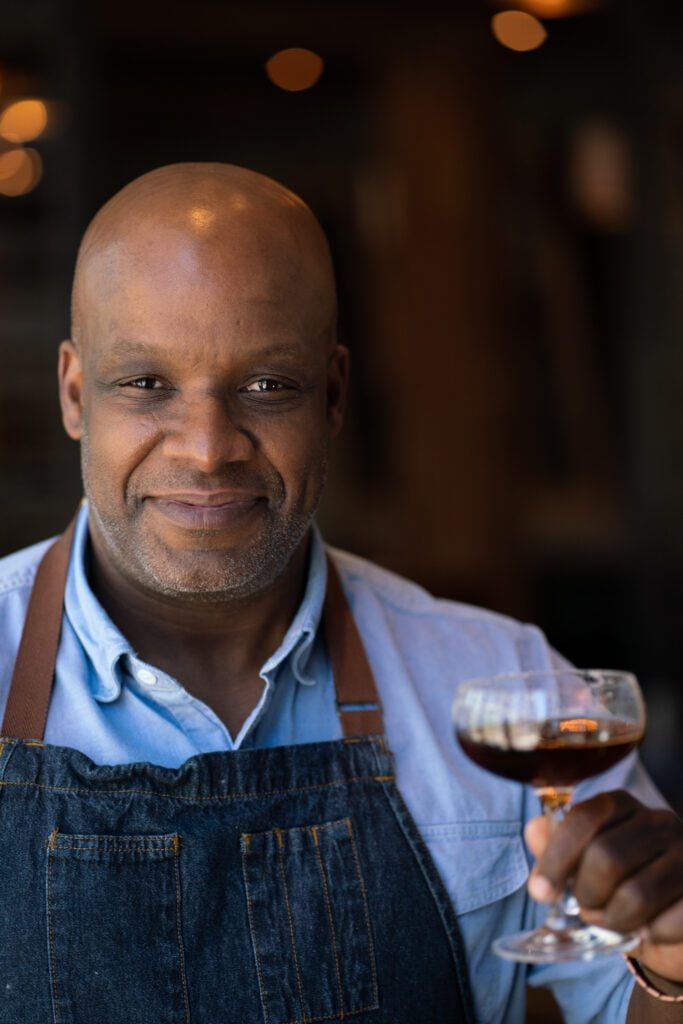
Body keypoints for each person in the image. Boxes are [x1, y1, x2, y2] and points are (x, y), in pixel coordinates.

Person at [0, 163, 681, 1024]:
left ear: (331, 395)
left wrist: (672, 959)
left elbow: (638, 1002)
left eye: (266, 385)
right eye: (146, 384)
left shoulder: (503, 686)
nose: (208, 449)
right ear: (73, 393)